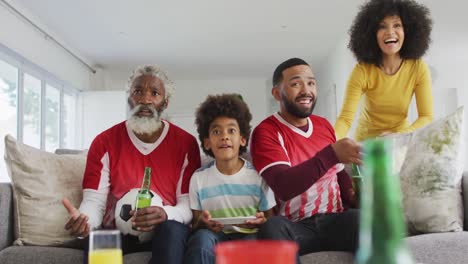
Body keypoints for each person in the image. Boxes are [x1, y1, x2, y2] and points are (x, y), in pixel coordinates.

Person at [62, 65, 201, 264]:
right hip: (118, 231)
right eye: (138, 92)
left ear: (165, 103)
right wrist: (86, 223)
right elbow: (94, 202)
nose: (145, 99)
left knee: (171, 231)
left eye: (154, 93)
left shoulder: (186, 143)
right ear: (129, 99)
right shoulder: (104, 142)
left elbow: (187, 205)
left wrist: (164, 213)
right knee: (97, 240)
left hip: (166, 230)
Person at [250, 58, 361, 263]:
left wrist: (353, 195)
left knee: (367, 220)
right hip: (295, 227)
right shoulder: (266, 132)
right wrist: (331, 154)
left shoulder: (324, 126)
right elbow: (283, 185)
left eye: (311, 83)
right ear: (277, 93)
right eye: (295, 84)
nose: (306, 90)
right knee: (272, 228)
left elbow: (337, 174)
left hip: (335, 220)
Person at [184, 94, 276, 264]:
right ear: (207, 143)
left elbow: (269, 220)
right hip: (214, 237)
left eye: (231, 130)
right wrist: (204, 223)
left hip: (249, 236)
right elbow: (196, 222)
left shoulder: (257, 177)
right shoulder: (198, 178)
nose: (224, 137)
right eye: (216, 131)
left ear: (242, 139)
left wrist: (261, 221)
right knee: (201, 239)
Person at [334, 0, 434, 141]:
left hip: (400, 141)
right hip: (367, 145)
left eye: (397, 25)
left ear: (407, 31)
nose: (390, 32)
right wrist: (329, 143)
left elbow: (426, 116)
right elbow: (345, 119)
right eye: (382, 27)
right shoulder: (362, 71)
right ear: (372, 34)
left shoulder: (418, 68)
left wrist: (400, 136)